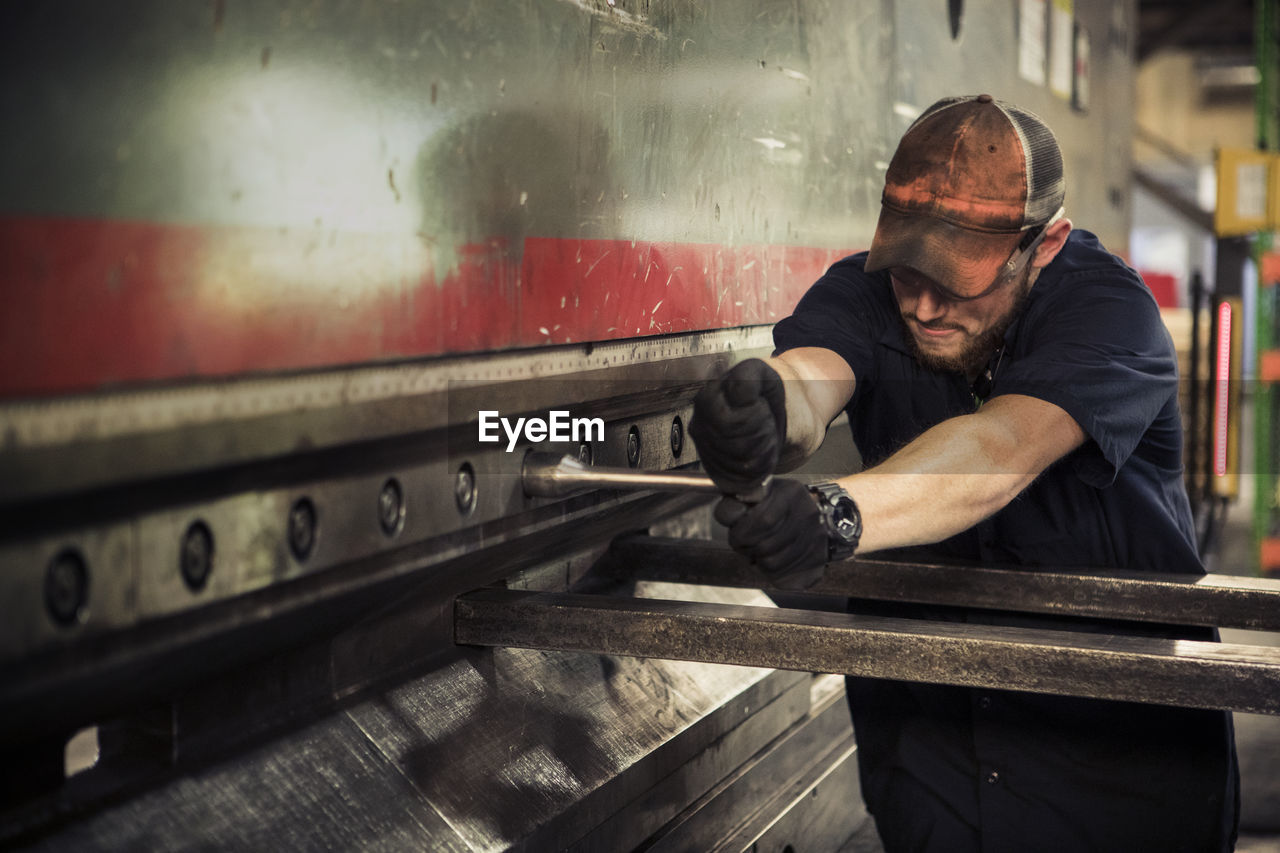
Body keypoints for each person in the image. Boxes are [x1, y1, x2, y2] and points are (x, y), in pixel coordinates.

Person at [689, 94, 1239, 853]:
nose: (920, 302)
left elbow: (999, 451)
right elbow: (817, 375)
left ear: (1043, 246)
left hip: (1115, 776)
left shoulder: (1108, 311)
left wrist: (835, 515)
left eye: (955, 277)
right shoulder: (871, 290)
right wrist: (768, 406)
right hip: (932, 765)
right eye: (906, 267)